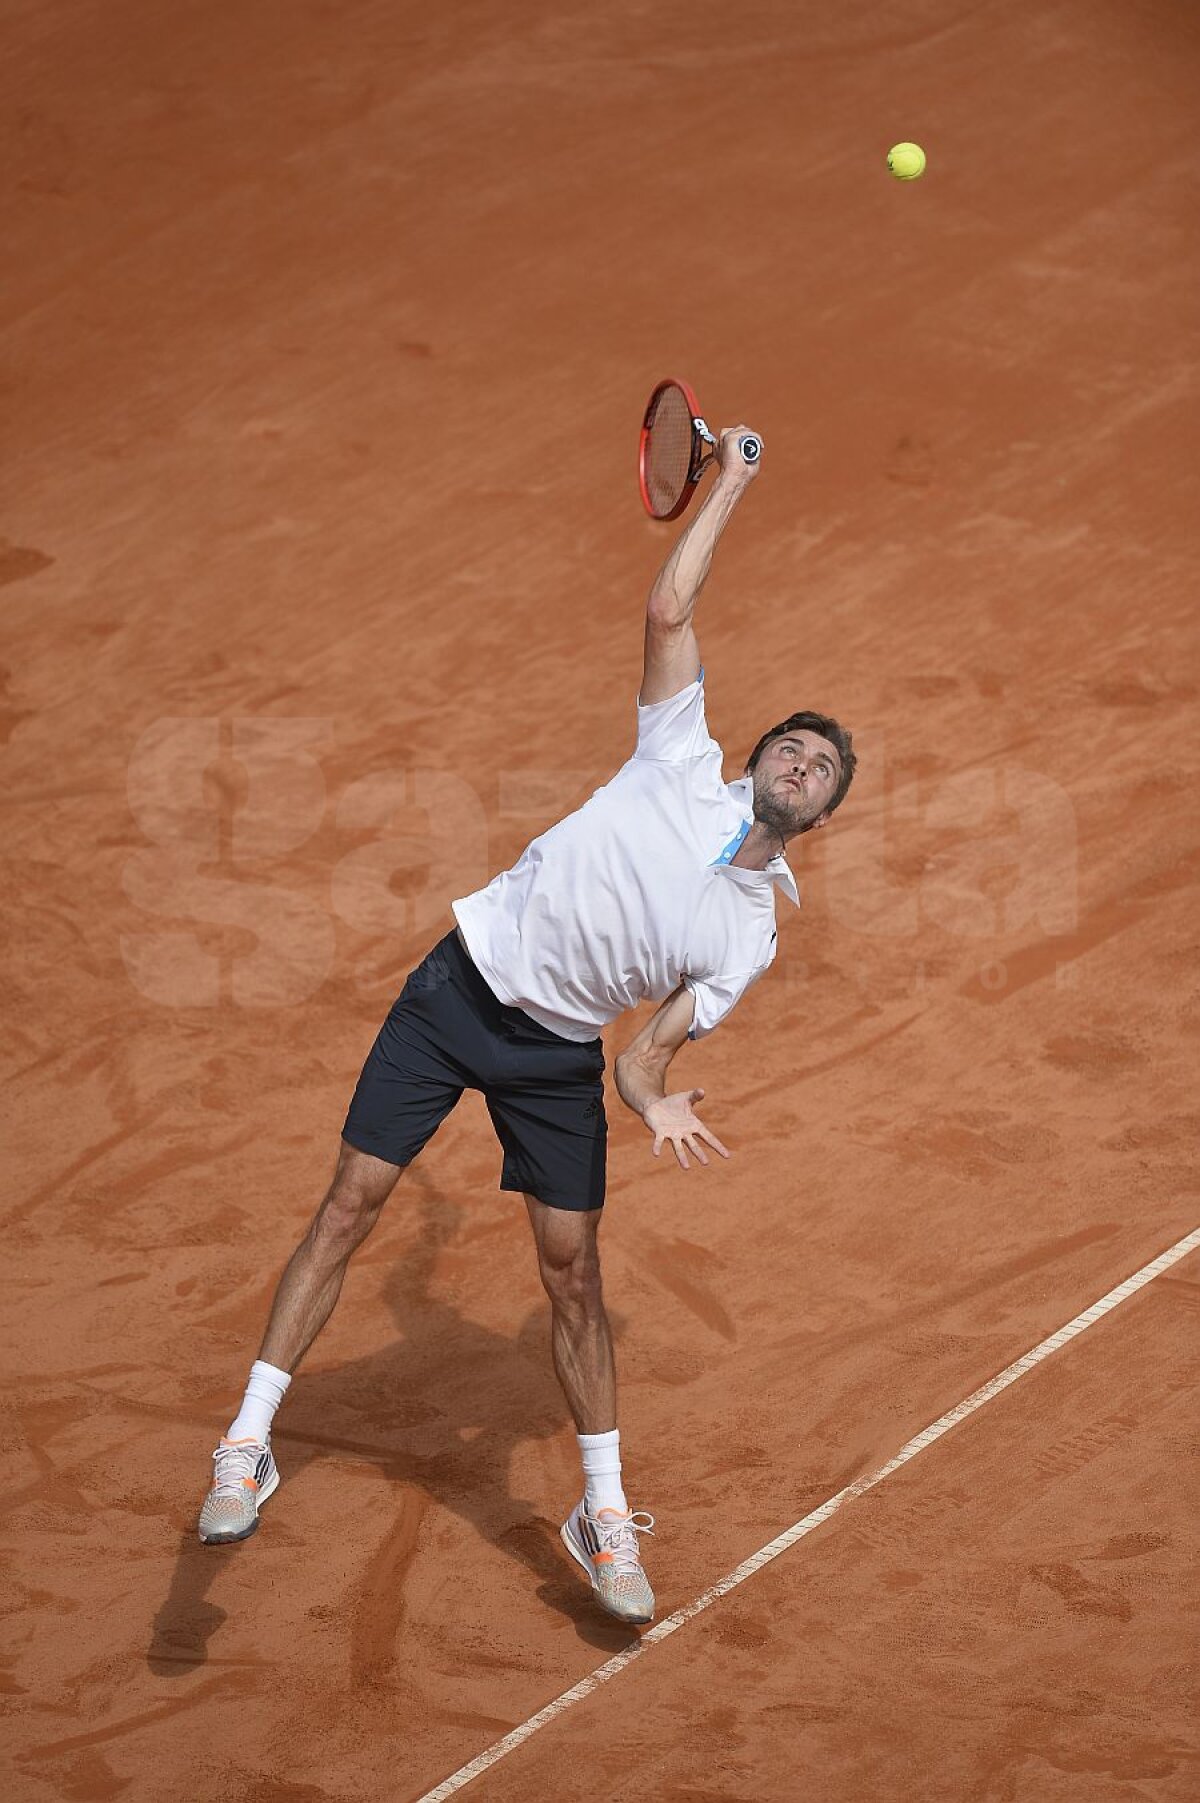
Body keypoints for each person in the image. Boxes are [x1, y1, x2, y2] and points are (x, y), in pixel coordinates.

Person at [196, 425, 856, 1626]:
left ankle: (602, 1511)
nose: (803, 764)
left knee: (574, 1275)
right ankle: (246, 1442)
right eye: (793, 746)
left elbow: (644, 1055)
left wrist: (653, 1099)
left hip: (555, 1058)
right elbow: (668, 608)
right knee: (351, 1203)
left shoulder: (750, 934)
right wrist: (734, 481)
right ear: (756, 757)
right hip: (456, 991)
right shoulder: (678, 755)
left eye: (822, 771)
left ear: (818, 818)